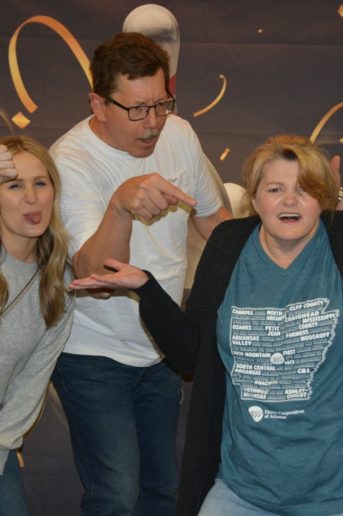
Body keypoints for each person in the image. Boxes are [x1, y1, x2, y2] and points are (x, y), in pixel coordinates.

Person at [70, 135, 343, 516]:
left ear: (321, 199)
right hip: (244, 491)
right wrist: (147, 288)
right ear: (255, 199)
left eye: (304, 189)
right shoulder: (228, 245)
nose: (289, 201)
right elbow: (191, 354)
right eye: (275, 189)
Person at [48, 31, 230, 516]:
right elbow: (95, 277)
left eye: (161, 104)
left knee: (162, 490)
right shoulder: (70, 161)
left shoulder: (180, 134)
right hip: (92, 353)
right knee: (117, 494)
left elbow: (215, 222)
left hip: (162, 345)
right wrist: (120, 206)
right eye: (136, 109)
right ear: (98, 104)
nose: (152, 124)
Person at [0, 136, 74, 515]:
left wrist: (2, 444)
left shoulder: (58, 282)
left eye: (40, 183)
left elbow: (31, 382)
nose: (32, 198)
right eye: (15, 186)